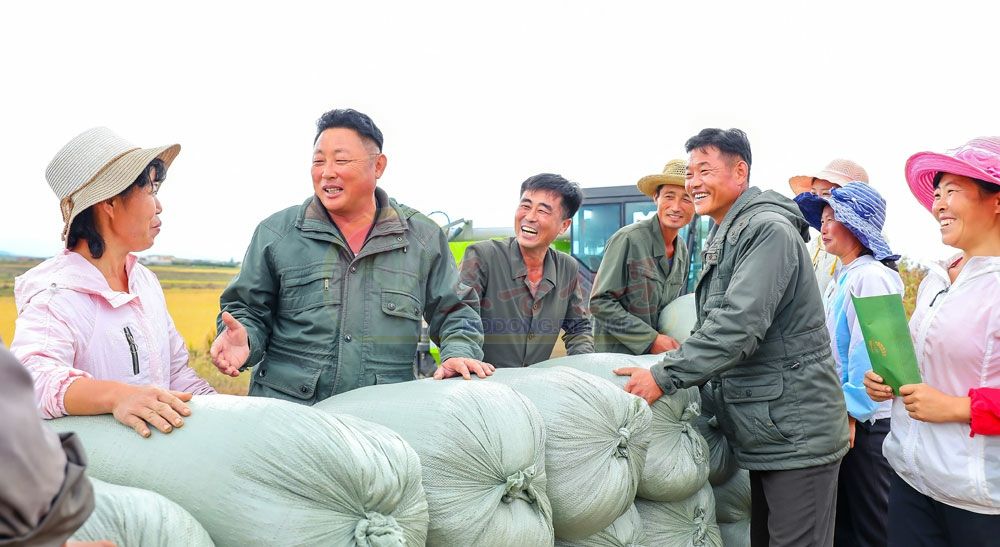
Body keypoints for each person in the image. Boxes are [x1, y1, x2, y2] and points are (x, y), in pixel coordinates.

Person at [615, 128, 849, 547]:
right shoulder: (731, 233)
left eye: (705, 170)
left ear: (739, 172)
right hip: (773, 429)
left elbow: (738, 324)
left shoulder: (766, 231)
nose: (693, 184)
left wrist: (665, 375)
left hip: (797, 428)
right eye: (689, 173)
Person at [211, 108, 491, 403]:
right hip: (290, 417)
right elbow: (247, 309)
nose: (327, 171)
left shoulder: (423, 239)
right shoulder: (277, 235)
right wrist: (245, 339)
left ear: (378, 165)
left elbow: (455, 311)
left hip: (382, 417)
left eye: (341, 160)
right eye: (318, 161)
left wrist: (459, 351)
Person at [10, 127, 215, 439]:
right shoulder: (57, 295)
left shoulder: (145, 282)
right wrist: (118, 396)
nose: (159, 207)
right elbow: (30, 382)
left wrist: (228, 417)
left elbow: (175, 374)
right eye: (150, 191)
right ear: (109, 202)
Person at [864, 136, 1000, 545]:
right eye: (937, 193)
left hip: (980, 501)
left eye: (953, 192)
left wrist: (958, 407)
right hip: (912, 480)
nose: (938, 204)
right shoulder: (937, 278)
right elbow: (927, 363)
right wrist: (886, 381)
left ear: (996, 201)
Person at [796, 182, 902, 547]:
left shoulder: (871, 276)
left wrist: (851, 412)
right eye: (821, 220)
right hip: (848, 416)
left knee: (872, 526)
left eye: (832, 219)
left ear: (857, 225)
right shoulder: (846, 275)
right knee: (847, 525)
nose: (823, 227)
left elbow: (870, 352)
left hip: (867, 422)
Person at [458, 173, 593, 367]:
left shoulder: (567, 267)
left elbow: (578, 327)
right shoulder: (482, 256)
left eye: (543, 211)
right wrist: (464, 357)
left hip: (531, 389)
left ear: (564, 225)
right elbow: (458, 317)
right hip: (480, 385)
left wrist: (582, 367)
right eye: (525, 206)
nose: (529, 217)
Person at [590, 160, 694, 354]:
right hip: (616, 359)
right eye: (669, 196)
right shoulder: (628, 239)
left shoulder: (682, 252)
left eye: (687, 199)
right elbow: (599, 303)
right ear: (656, 198)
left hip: (653, 364)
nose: (676, 206)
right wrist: (650, 340)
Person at [788, 159, 870, 293]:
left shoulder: (867, 253)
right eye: (813, 194)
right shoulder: (818, 243)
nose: (817, 200)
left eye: (826, 194)